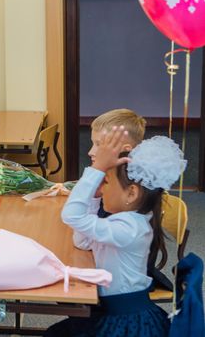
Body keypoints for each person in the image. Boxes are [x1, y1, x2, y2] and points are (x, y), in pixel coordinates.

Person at [46, 129, 186, 337]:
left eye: (106, 182)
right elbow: (82, 241)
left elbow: (72, 216)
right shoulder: (124, 222)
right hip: (111, 310)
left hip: (127, 322)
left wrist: (97, 168)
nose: (101, 189)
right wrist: (93, 198)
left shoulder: (128, 229)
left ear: (131, 193)